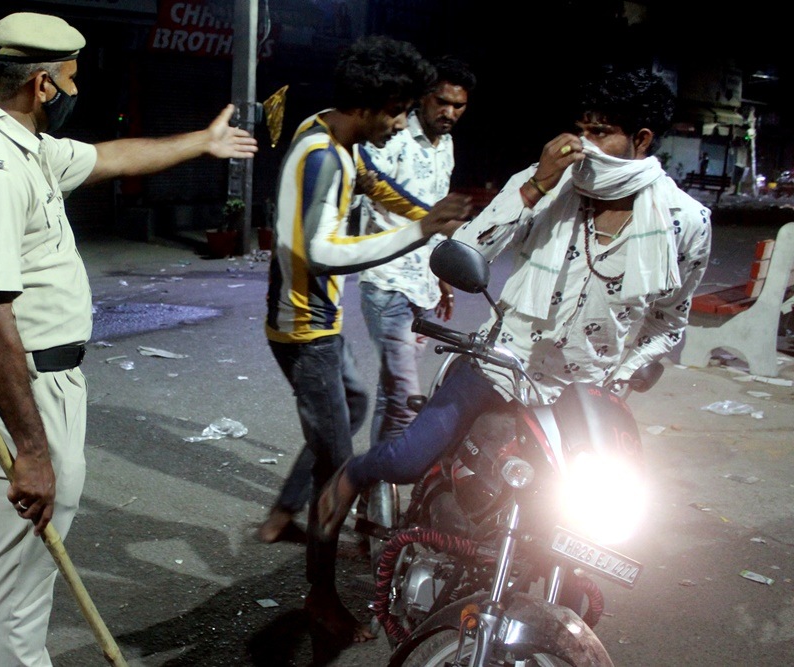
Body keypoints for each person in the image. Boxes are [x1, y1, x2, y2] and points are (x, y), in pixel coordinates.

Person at [0, 12, 257, 667]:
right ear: (43, 86)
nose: (78, 90)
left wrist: (203, 141)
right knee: (22, 599)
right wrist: (31, 450)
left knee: (6, 549)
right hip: (23, 388)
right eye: (71, 78)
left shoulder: (27, 146)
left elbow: (110, 157)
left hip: (44, 381)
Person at [317, 66, 712, 610]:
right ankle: (354, 474)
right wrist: (536, 183)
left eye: (601, 133)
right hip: (501, 363)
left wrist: (622, 378)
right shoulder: (551, 186)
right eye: (581, 128)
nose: (582, 145)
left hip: (587, 394)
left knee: (583, 522)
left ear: (639, 140)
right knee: (410, 457)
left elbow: (670, 321)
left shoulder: (684, 221)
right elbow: (470, 245)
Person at [261, 35, 471, 644]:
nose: (402, 121)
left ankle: (280, 517)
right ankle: (321, 598)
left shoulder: (337, 136)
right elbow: (316, 251)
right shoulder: (323, 157)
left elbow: (377, 185)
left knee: (354, 406)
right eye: (400, 110)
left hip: (318, 322)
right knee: (337, 464)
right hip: (305, 329)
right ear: (374, 106)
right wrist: (414, 234)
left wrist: (426, 216)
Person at [355, 55, 476, 458]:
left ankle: (374, 500)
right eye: (442, 102)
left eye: (458, 105)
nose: (449, 112)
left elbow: (437, 214)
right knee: (408, 402)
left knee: (392, 397)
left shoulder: (448, 146)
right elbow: (366, 183)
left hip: (422, 287)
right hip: (387, 282)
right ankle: (371, 482)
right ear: (424, 98)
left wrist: (441, 275)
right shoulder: (397, 136)